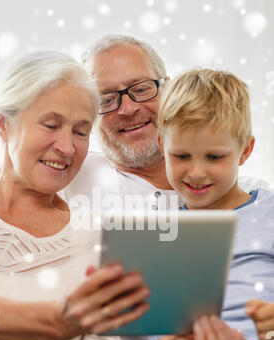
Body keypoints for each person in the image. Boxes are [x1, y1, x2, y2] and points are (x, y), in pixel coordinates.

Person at [0, 51, 152, 340]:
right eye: (51, 125)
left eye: (81, 131)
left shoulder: (102, 239)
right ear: (3, 125)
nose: (68, 148)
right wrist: (57, 321)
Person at [109, 69, 274, 340]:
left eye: (214, 157)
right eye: (181, 155)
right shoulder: (154, 232)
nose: (196, 172)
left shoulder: (269, 211)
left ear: (245, 150)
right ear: (162, 146)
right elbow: (144, 334)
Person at [62, 34, 269, 211]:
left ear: (169, 90)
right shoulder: (67, 179)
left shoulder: (253, 201)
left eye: (141, 89)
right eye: (106, 99)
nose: (128, 109)